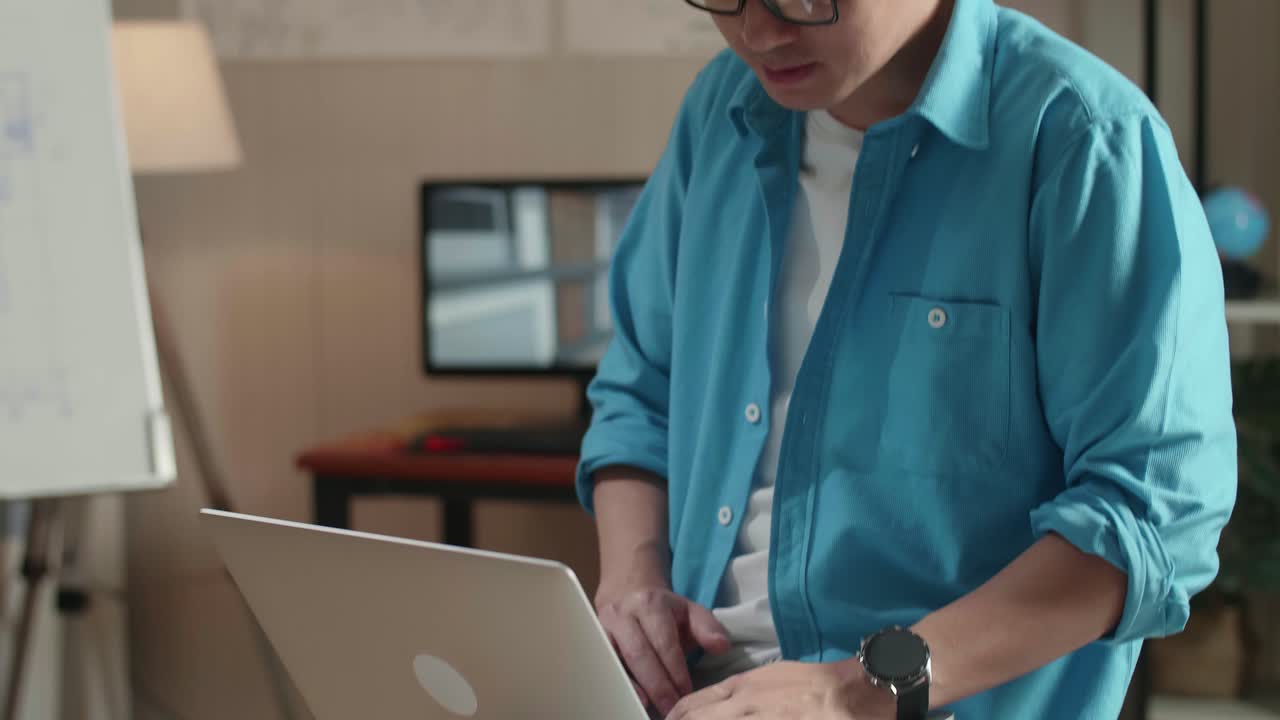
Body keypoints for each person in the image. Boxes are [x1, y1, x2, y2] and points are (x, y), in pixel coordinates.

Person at [576, 0, 1238, 717]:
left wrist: (854, 691)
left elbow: (1151, 516)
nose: (758, 33)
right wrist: (633, 578)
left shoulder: (1084, 140)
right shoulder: (720, 110)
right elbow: (641, 389)